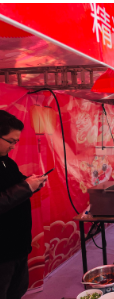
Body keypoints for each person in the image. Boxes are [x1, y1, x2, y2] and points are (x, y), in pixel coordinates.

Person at [0, 111, 48, 299]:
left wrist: (31, 183)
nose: (13, 146)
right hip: (2, 251)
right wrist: (25, 187)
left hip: (17, 245)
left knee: (17, 290)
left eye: (16, 142)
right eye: (10, 141)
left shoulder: (7, 162)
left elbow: (17, 186)